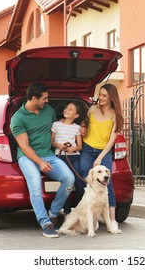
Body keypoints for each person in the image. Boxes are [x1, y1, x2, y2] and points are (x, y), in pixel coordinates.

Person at [10, 83, 75, 238]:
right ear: (34, 98)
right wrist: (40, 162)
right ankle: (45, 222)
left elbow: (56, 129)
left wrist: (79, 129)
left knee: (69, 178)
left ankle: (53, 212)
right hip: (27, 157)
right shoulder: (18, 118)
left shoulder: (49, 111)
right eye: (44, 98)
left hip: (48, 155)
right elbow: (24, 146)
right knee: (35, 184)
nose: (47, 100)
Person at [79, 83, 124, 230]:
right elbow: (84, 126)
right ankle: (92, 214)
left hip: (103, 151)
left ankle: (112, 219)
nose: (101, 98)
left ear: (112, 97)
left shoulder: (115, 115)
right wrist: (82, 131)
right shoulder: (92, 109)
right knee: (85, 174)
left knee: (106, 182)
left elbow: (112, 140)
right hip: (87, 148)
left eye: (104, 95)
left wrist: (100, 158)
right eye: (100, 94)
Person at [51, 101, 88, 214]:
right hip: (61, 157)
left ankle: (80, 207)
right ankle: (67, 210)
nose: (67, 110)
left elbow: (80, 146)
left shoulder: (76, 128)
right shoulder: (56, 125)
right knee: (67, 183)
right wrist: (59, 145)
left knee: (79, 182)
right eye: (66, 108)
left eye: (71, 109)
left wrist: (73, 149)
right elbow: (52, 142)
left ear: (76, 115)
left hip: (74, 157)